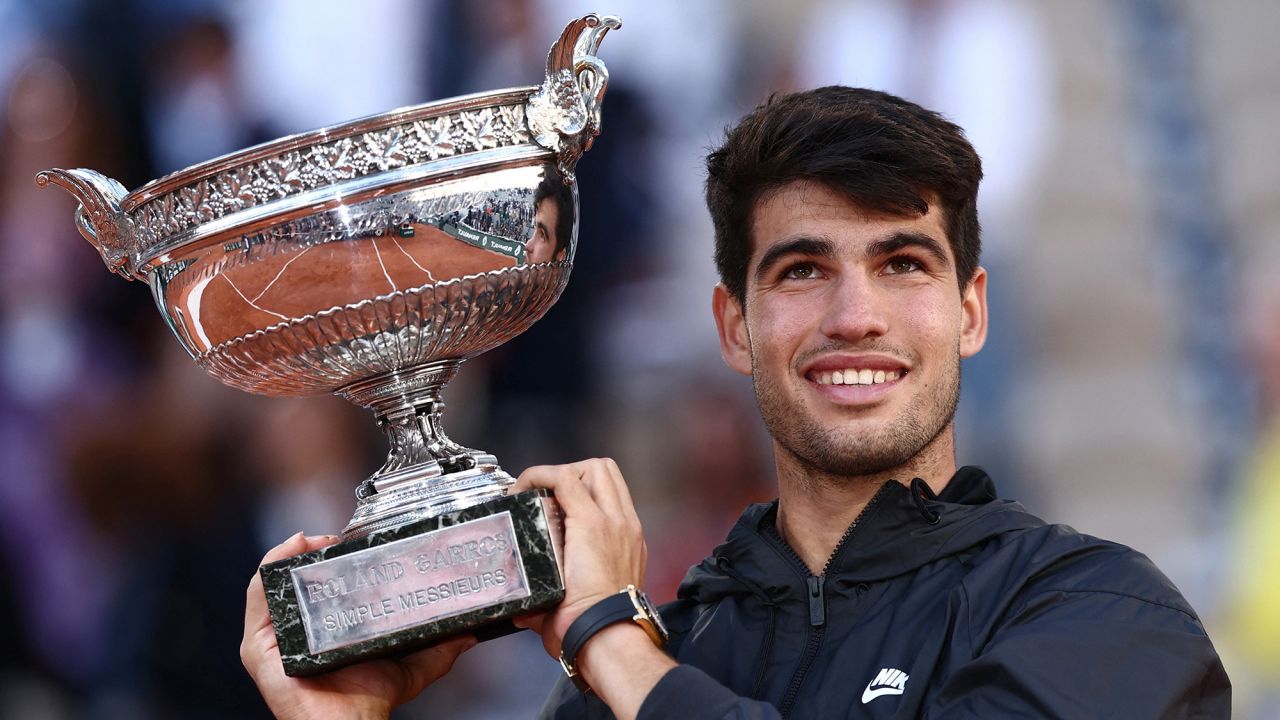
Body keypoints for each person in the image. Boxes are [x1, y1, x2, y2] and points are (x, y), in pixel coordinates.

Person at [242, 86, 1230, 719]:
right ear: (733, 325)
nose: (854, 314)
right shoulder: (643, 666)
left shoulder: (1096, 612)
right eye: (802, 270)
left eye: (901, 264)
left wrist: (608, 645)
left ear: (970, 312)